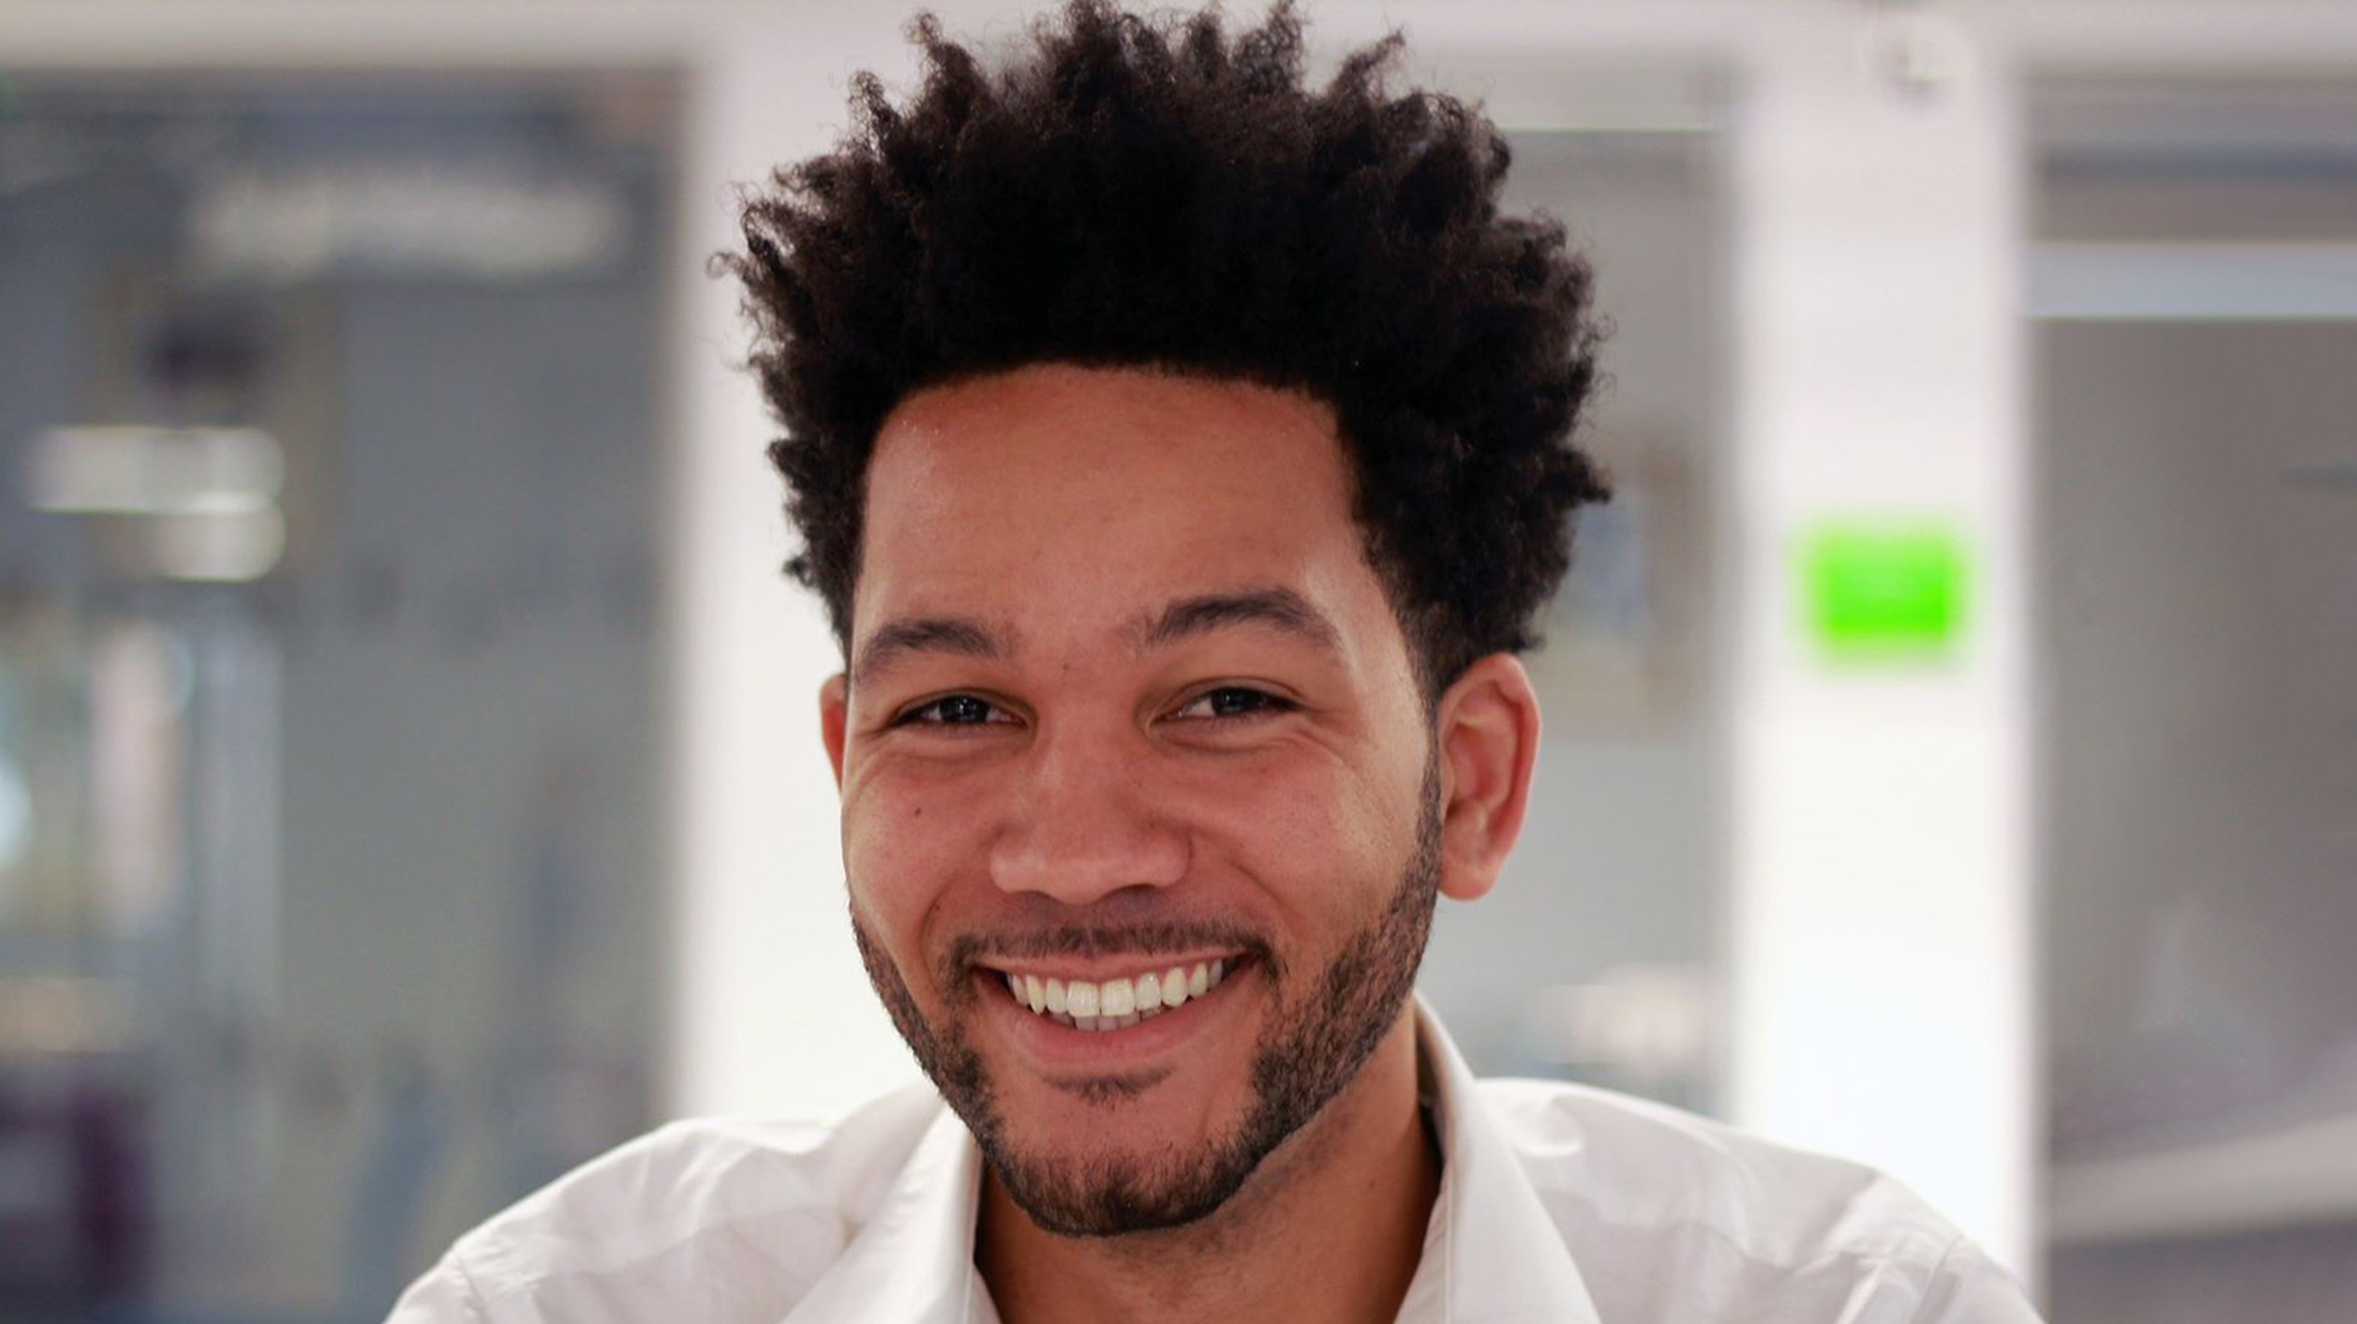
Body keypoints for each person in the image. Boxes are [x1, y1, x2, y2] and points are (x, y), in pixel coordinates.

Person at [390, 2, 2042, 1320]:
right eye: (956, 709)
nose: (1074, 852)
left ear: (1469, 781)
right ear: (845, 760)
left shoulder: (1845, 1308)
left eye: (1226, 702)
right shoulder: (574, 1311)